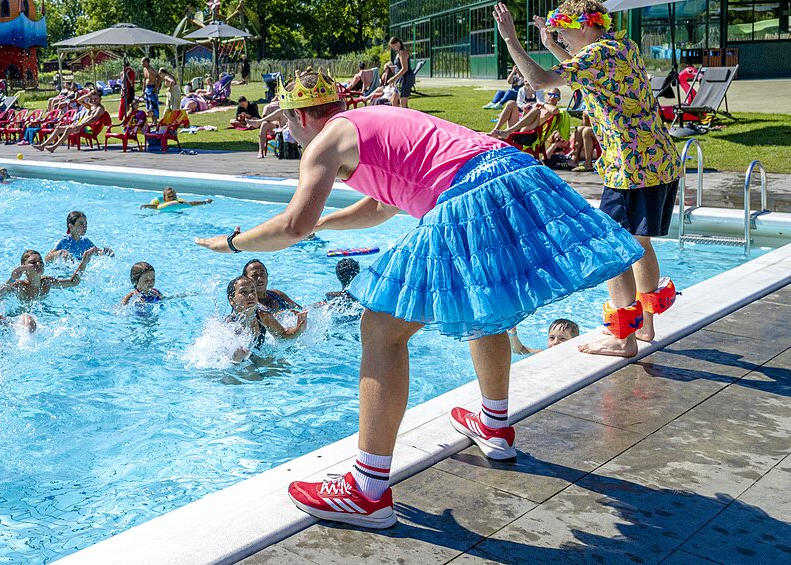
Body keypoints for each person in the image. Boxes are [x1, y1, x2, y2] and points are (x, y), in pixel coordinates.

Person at [195, 70, 641, 528]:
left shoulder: (324, 142)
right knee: (483, 300)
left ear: (300, 115)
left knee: (381, 327)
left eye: (286, 122)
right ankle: (494, 425)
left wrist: (231, 244)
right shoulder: (374, 119)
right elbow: (382, 204)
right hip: (514, 172)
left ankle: (365, 490)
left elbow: (292, 226)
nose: (289, 132)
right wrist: (326, 224)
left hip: (469, 191)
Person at [494, 0, 682, 358]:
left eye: (563, 33)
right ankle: (645, 327)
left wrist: (510, 41)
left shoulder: (596, 54)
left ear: (583, 26)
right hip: (658, 161)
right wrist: (551, 46)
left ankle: (623, 338)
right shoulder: (620, 47)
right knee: (639, 244)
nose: (561, 39)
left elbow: (536, 81)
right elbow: (586, 78)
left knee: (610, 250)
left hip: (631, 168)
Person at [223, 274, 307, 362]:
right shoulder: (230, 324)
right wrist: (235, 357)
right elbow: (224, 358)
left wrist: (299, 329)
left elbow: (283, 335)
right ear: (232, 300)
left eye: (252, 291)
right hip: (240, 364)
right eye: (244, 292)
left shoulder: (262, 315)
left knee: (284, 365)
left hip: (257, 357)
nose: (251, 296)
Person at [0, 247, 99, 303]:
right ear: (24, 268)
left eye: (40, 261)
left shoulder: (47, 282)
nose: (38, 264)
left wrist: (84, 262)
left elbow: (73, 282)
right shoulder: (19, 286)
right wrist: (12, 279)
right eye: (33, 262)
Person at [46, 211, 113, 262]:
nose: (84, 227)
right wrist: (59, 253)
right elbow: (47, 259)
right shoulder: (64, 241)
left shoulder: (85, 242)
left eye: (85, 224)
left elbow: (97, 252)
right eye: (81, 224)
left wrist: (106, 253)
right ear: (71, 226)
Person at [508, 319, 580, 355]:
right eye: (552, 338)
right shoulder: (544, 353)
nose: (555, 342)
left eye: (562, 339)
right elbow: (519, 350)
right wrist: (513, 332)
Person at [384, 37, 414, 108]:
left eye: (394, 46)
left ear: (398, 43)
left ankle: (407, 118)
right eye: (392, 47)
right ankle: (397, 117)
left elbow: (405, 68)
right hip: (400, 79)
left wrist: (393, 78)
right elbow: (399, 66)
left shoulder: (402, 52)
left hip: (405, 79)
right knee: (394, 101)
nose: (393, 48)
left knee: (403, 104)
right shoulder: (398, 52)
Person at [141, 187, 213, 210]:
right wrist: (148, 206)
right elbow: (157, 207)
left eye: (174, 196)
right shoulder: (158, 201)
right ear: (164, 197)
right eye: (169, 197)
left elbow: (191, 203)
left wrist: (205, 201)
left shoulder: (178, 201)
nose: (172, 198)